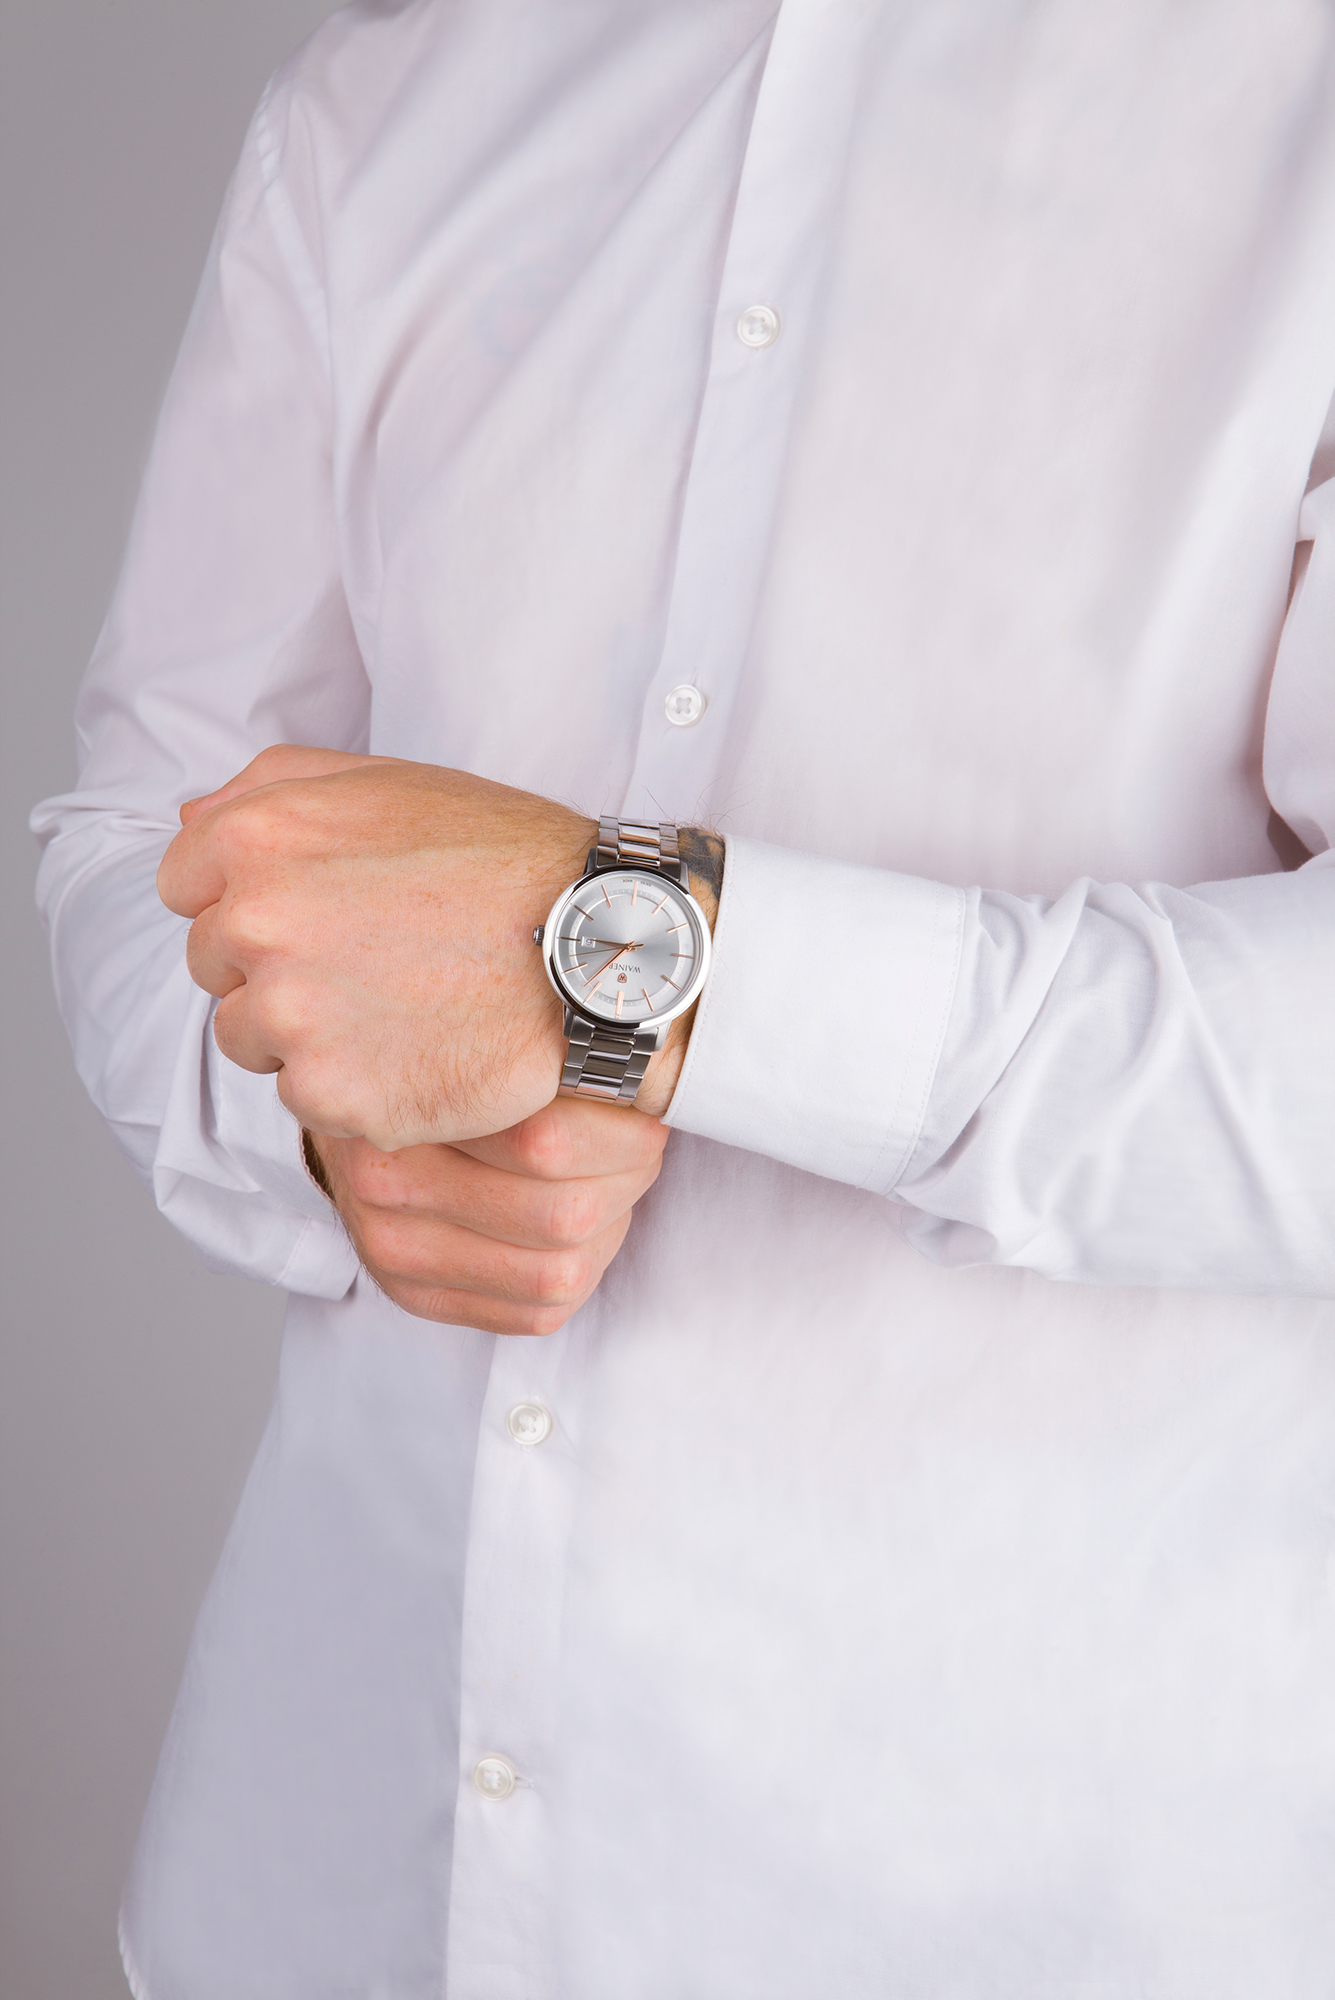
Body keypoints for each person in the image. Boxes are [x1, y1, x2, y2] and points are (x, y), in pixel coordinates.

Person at [31, 0, 1335, 1992]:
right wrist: (314, 1122)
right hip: (331, 1868)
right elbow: (148, 818)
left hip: (1025, 1899)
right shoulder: (388, 95)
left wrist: (634, 954)